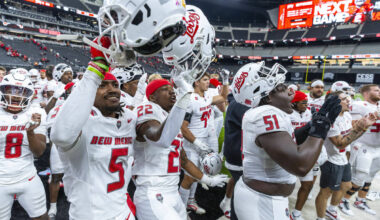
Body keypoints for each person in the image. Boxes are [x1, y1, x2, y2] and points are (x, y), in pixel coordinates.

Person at [231, 62, 341, 220]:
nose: (291, 91)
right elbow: (300, 165)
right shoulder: (267, 113)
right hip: (263, 201)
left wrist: (310, 126)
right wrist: (320, 128)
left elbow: (286, 141)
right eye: (282, 87)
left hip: (263, 197)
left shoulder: (262, 112)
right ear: (268, 96)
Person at [50, 51, 137, 218]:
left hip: (122, 209)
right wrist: (95, 69)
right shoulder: (82, 122)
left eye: (115, 85)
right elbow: (60, 135)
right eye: (102, 85)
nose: (112, 90)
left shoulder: (128, 118)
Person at [133, 79, 227, 220]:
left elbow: (182, 159)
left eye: (171, 88)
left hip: (172, 190)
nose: (171, 91)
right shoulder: (149, 109)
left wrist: (207, 180)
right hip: (152, 191)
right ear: (152, 97)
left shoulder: (169, 118)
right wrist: (183, 99)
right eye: (164, 89)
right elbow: (159, 138)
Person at [315, 91, 377, 220]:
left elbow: (352, 131)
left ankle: (331, 210)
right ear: (335, 103)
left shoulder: (346, 115)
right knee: (326, 192)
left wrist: (363, 125)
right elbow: (340, 144)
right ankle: (320, 218)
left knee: (346, 186)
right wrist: (359, 128)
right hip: (331, 160)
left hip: (342, 159)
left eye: (349, 98)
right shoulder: (331, 120)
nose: (349, 101)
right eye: (344, 99)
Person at [0, 72, 48, 220]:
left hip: (28, 178)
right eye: (11, 90)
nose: (15, 96)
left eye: (21, 91)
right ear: (3, 90)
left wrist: (31, 132)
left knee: (42, 218)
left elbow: (39, 152)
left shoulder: (36, 112)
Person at [179, 72, 229, 215]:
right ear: (196, 82)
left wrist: (225, 81)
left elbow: (223, 97)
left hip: (204, 143)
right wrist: (197, 142)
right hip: (192, 144)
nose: (208, 82)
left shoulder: (207, 97)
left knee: (197, 175)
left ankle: (190, 201)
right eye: (205, 80)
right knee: (189, 178)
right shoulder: (189, 99)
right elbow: (183, 127)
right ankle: (181, 210)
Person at [340, 84, 380, 216]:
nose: (379, 92)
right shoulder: (360, 105)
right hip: (363, 145)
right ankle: (343, 200)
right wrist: (367, 120)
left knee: (370, 177)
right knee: (360, 177)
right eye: (376, 90)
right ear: (366, 94)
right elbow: (345, 119)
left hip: (377, 147)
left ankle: (360, 200)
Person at [290, 91, 327, 220]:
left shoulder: (309, 113)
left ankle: (296, 212)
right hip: (289, 153)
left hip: (305, 153)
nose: (306, 105)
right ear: (293, 103)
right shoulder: (286, 113)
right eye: (303, 102)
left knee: (307, 185)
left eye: (307, 102)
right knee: (286, 185)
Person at [46, 82, 75, 219]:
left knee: (80, 176)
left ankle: (75, 200)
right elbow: (51, 131)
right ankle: (53, 205)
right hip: (60, 146)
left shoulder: (89, 107)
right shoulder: (57, 109)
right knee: (56, 176)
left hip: (80, 146)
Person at [221, 93, 250, 220]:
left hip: (238, 151)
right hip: (239, 153)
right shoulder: (240, 104)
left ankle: (226, 201)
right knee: (242, 190)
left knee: (237, 182)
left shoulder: (238, 101)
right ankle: (233, 210)